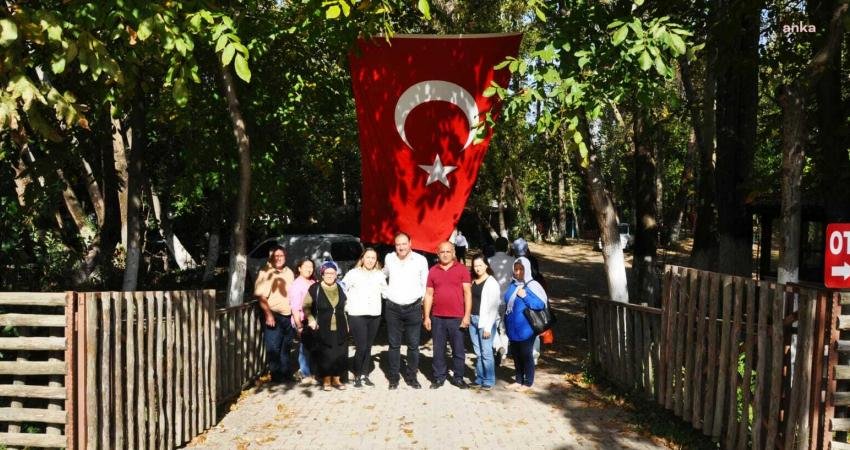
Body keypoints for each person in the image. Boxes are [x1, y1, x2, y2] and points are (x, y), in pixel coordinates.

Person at [383, 232, 429, 390]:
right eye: (398, 244)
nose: (401, 247)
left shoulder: (421, 260)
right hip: (393, 308)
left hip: (413, 308)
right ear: (394, 246)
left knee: (413, 346)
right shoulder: (389, 258)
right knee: (394, 345)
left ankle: (411, 377)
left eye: (404, 243)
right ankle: (394, 377)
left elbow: (425, 284)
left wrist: (422, 305)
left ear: (410, 243)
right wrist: (385, 293)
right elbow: (383, 276)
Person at [423, 241, 471, 389]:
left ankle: (458, 378)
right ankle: (439, 377)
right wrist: (426, 316)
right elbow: (429, 295)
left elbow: (467, 293)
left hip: (457, 317)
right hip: (437, 317)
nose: (445, 254)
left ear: (454, 253)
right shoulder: (433, 271)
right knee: (438, 350)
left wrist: (467, 315)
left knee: (458, 350)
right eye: (442, 252)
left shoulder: (462, 270)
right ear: (438, 254)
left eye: (448, 251)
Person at [342, 248, 387, 388]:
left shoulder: (379, 275)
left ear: (376, 261)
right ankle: (357, 374)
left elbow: (386, 293)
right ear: (362, 258)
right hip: (357, 314)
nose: (370, 260)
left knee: (368, 347)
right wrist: (345, 308)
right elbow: (342, 289)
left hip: (374, 314)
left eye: (373, 258)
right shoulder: (353, 274)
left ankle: (364, 375)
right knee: (361, 346)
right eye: (368, 257)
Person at [503, 256, 548, 392]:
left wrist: (525, 296)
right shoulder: (513, 284)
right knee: (516, 354)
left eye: (521, 269)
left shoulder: (533, 285)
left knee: (526, 354)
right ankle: (518, 380)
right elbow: (506, 301)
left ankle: (528, 382)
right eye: (515, 269)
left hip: (527, 328)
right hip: (513, 327)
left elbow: (540, 304)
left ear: (526, 270)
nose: (517, 272)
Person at [254, 244, 297, 383]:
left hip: (288, 316)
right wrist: (268, 314)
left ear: (286, 256)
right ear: (271, 257)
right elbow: (261, 297)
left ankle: (286, 374)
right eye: (276, 256)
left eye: (281, 256)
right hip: (274, 315)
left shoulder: (289, 272)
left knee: (286, 347)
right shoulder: (266, 272)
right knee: (274, 347)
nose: (279, 258)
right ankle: (277, 377)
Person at [303, 261, 349, 391]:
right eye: (327, 273)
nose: (330, 275)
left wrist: (347, 323)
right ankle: (326, 379)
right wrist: (311, 320)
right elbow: (305, 306)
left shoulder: (340, 287)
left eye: (332, 273)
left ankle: (337, 379)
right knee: (325, 354)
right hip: (322, 326)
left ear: (336, 275)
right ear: (322, 274)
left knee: (339, 352)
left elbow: (344, 307)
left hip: (340, 325)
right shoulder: (315, 288)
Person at [468, 255, 501, 390]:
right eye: (475, 266)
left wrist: (488, 327)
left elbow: (494, 307)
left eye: (480, 265)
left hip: (485, 322)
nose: (477, 268)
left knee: (486, 352)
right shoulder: (473, 281)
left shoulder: (491, 282)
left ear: (486, 265)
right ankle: (479, 378)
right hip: (472, 320)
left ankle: (489, 379)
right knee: (478, 352)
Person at [289, 258, 316, 383]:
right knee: (305, 347)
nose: (309, 269)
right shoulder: (296, 284)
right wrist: (299, 325)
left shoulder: (312, 282)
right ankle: (304, 373)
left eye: (311, 266)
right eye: (306, 266)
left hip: (312, 319)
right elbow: (294, 307)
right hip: (301, 320)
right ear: (299, 268)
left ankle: (310, 371)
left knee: (311, 346)